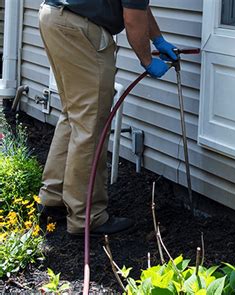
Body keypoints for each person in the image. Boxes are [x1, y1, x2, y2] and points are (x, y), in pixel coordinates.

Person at [37, 0, 175, 236]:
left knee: (74, 115)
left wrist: (157, 38)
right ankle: (86, 217)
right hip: (80, 28)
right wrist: (147, 60)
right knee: (91, 123)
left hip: (55, 17)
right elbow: (132, 17)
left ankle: (54, 198)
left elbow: (138, 6)